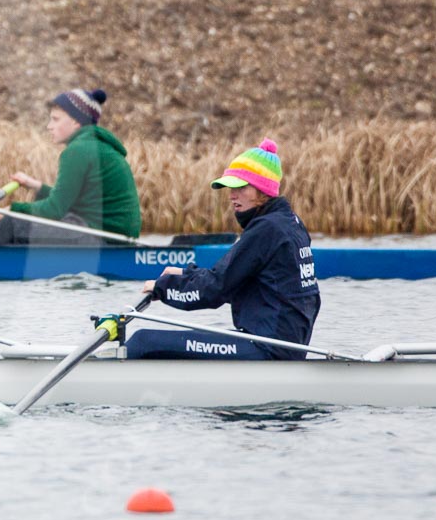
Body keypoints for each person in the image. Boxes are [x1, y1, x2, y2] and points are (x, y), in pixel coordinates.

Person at [126, 139, 318, 360]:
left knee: (144, 341)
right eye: (230, 188)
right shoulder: (290, 223)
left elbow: (216, 289)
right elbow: (236, 279)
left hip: (267, 347)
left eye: (240, 187)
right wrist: (185, 274)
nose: (231, 195)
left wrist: (163, 288)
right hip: (283, 344)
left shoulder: (266, 229)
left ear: (262, 189)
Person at [0, 88, 141, 245]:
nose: (49, 126)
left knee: (10, 225)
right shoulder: (95, 146)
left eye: (55, 119)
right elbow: (69, 202)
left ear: (75, 121)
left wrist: (12, 210)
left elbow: (54, 210)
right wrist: (36, 186)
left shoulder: (78, 150)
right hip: (110, 235)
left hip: (102, 237)